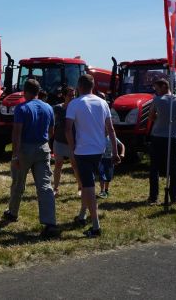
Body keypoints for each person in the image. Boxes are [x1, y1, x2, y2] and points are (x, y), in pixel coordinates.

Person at [3, 79, 58, 238]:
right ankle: (50, 222)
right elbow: (51, 131)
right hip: (43, 148)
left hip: (25, 149)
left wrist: (15, 155)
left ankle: (13, 212)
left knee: (18, 182)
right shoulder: (48, 107)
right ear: (38, 91)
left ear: (25, 91)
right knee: (45, 186)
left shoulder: (21, 108)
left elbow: (17, 133)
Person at [66, 74, 119, 238]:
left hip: (83, 150)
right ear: (93, 85)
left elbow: (68, 129)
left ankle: (95, 225)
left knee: (88, 187)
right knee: (88, 184)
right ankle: (82, 214)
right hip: (99, 149)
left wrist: (72, 148)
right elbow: (111, 129)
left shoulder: (74, 103)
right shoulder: (103, 103)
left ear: (79, 86)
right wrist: (115, 151)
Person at [147, 78, 176, 205]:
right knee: (174, 168)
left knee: (155, 168)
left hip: (158, 136)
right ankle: (174, 196)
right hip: (174, 137)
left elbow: (151, 117)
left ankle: (154, 197)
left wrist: (160, 117)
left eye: (157, 89)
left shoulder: (157, 100)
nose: (156, 92)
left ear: (164, 86)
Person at [52, 87, 80, 197]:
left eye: (74, 95)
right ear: (64, 96)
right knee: (58, 164)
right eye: (70, 95)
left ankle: (80, 187)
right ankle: (56, 188)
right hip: (59, 141)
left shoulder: (77, 108)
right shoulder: (57, 109)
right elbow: (52, 122)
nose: (72, 97)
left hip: (73, 142)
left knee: (75, 165)